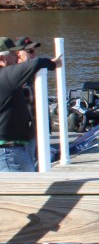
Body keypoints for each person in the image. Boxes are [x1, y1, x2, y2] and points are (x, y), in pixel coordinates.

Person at [0, 36, 61, 172]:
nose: (17, 56)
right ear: (2, 59)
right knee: (25, 185)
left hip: (11, 148)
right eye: (13, 53)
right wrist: (54, 64)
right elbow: (37, 63)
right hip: (8, 151)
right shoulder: (7, 75)